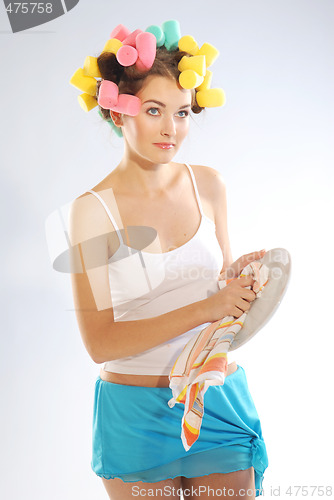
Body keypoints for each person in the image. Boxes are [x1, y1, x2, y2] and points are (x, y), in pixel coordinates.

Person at [69, 21, 268, 500]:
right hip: (135, 411)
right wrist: (209, 306)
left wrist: (239, 279)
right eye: (154, 110)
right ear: (118, 114)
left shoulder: (209, 185)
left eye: (181, 113)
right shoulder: (92, 213)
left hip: (215, 396)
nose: (171, 129)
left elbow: (213, 283)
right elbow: (100, 342)